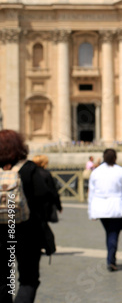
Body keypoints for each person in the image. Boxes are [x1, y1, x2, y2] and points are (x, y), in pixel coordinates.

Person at [0, 130, 55, 303]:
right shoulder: (30, 169)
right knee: (28, 280)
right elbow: (45, 199)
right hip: (27, 231)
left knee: (3, 280)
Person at [87, 149, 122, 272]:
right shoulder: (120, 171)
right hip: (115, 207)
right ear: (115, 158)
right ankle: (111, 260)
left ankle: (110, 258)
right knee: (113, 233)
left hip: (100, 208)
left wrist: (91, 212)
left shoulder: (96, 172)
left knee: (109, 233)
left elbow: (91, 193)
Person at [32, 155, 63, 221]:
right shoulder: (46, 174)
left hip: (32, 203)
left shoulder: (30, 173)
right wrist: (59, 206)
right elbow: (53, 190)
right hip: (45, 203)